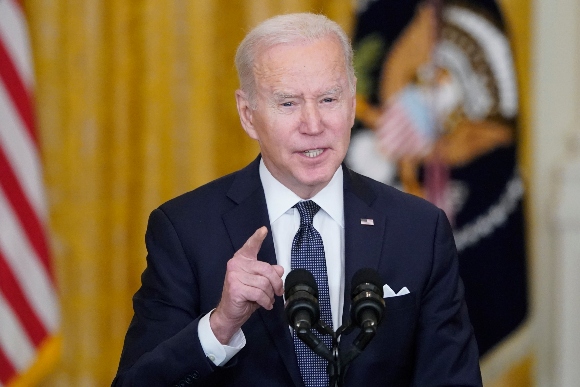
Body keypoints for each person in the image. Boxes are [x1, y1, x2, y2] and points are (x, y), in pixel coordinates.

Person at [113, 13, 482, 386]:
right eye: (288, 104)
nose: (313, 124)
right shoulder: (186, 231)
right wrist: (220, 325)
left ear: (352, 104)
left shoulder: (419, 229)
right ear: (248, 114)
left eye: (328, 99)